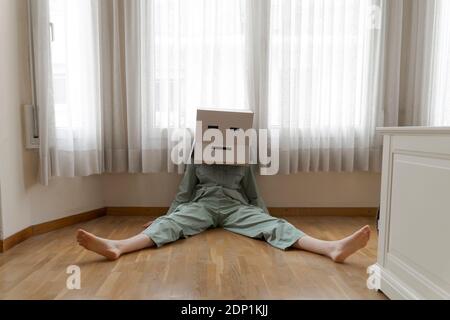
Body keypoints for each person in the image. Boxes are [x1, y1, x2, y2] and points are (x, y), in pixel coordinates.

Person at [77, 164, 370, 263]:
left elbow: (254, 195)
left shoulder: (243, 157)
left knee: (275, 225)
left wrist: (265, 220)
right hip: (201, 206)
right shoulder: (196, 153)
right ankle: (118, 246)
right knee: (170, 225)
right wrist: (165, 216)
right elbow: (183, 192)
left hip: (235, 208)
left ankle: (331, 248)